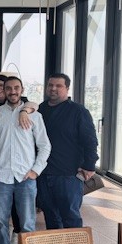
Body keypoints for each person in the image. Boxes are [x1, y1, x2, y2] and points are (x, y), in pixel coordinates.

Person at [0, 76, 51, 244]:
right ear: (3, 90)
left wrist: (36, 170)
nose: (12, 91)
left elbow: (45, 146)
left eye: (16, 88)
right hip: (0, 176)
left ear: (22, 89)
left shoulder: (35, 116)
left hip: (25, 177)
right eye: (8, 88)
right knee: (0, 220)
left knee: (27, 222)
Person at [38, 73, 98, 229]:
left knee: (70, 217)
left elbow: (90, 140)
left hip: (68, 175)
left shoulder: (78, 111)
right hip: (43, 173)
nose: (53, 88)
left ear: (67, 89)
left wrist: (89, 165)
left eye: (58, 86)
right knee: (50, 216)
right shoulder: (41, 109)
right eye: (50, 85)